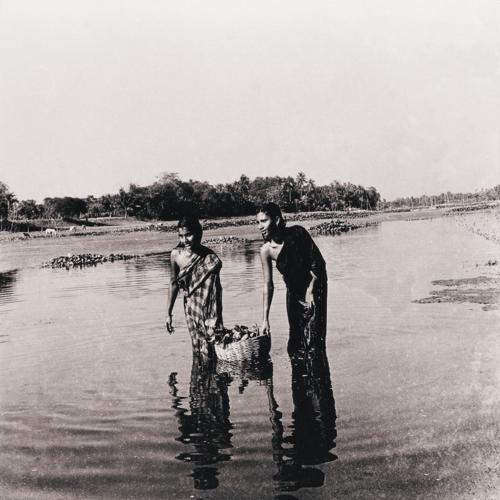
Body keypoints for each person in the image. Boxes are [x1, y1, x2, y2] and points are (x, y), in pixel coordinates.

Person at [257, 203, 328, 353]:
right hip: (294, 294)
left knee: (315, 342)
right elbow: (268, 285)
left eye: (264, 221)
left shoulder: (298, 233)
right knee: (295, 343)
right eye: (258, 222)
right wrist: (265, 320)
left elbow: (318, 264)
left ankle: (320, 375)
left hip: (315, 288)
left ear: (276, 220)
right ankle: (298, 375)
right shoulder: (266, 251)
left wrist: (311, 292)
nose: (259, 226)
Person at [166, 215, 223, 353]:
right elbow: (173, 284)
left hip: (210, 308)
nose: (184, 240)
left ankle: (204, 374)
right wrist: (168, 313)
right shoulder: (176, 255)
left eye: (188, 235)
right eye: (181, 236)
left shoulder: (208, 256)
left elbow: (215, 289)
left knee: (213, 345)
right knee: (197, 346)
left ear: (198, 233)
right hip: (191, 307)